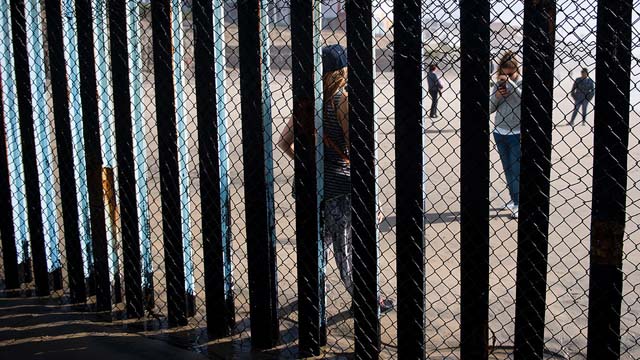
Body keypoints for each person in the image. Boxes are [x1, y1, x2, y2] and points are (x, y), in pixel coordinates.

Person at [278, 44, 394, 314]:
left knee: (318, 243)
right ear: (342, 71)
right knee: (347, 249)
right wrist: (372, 198)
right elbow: (360, 154)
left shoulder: (307, 102)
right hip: (341, 186)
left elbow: (284, 143)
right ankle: (367, 301)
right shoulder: (343, 102)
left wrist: (312, 165)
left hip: (312, 186)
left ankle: (313, 292)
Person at [490, 51, 522, 219]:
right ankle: (513, 199)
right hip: (499, 131)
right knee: (508, 169)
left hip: (517, 132)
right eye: (505, 70)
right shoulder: (498, 85)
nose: (508, 73)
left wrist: (512, 83)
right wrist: (496, 96)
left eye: (511, 70)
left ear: (516, 68)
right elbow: (489, 108)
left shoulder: (522, 82)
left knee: (516, 170)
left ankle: (518, 204)